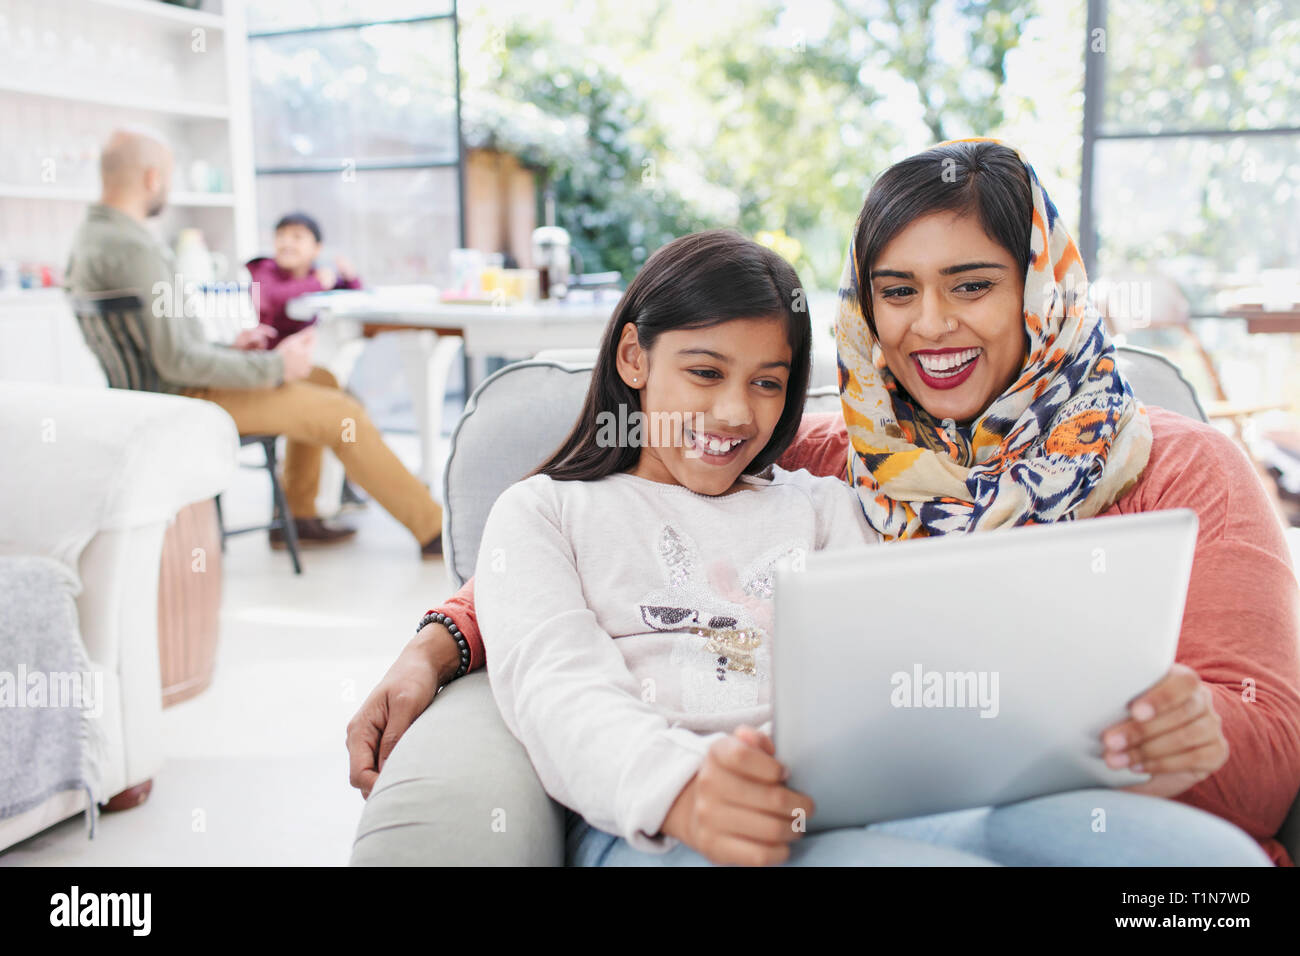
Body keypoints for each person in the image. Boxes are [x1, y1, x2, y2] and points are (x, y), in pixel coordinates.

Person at [348, 140, 1299, 864]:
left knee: (1206, 884)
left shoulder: (1183, 471)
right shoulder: (839, 459)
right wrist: (438, 642)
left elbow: (1263, 743)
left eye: (972, 285)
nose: (929, 325)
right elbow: (604, 551)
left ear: (1040, 291)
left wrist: (1193, 739)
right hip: (748, 804)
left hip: (1001, 798)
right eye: (897, 292)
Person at [64, 127, 444, 557]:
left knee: (321, 378)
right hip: (185, 397)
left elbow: (164, 349)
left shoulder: (91, 238)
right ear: (153, 178)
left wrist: (234, 351)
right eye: (169, 177)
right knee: (341, 414)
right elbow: (178, 363)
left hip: (166, 388)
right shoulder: (135, 249)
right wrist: (275, 367)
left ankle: (297, 517)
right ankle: (434, 529)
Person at [243, 212, 363, 350]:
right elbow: (271, 297)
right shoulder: (263, 269)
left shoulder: (315, 273)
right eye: (280, 236)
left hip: (310, 352)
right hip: (271, 355)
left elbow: (355, 300)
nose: (286, 243)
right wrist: (317, 283)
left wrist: (351, 278)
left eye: (297, 237)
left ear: (317, 248)